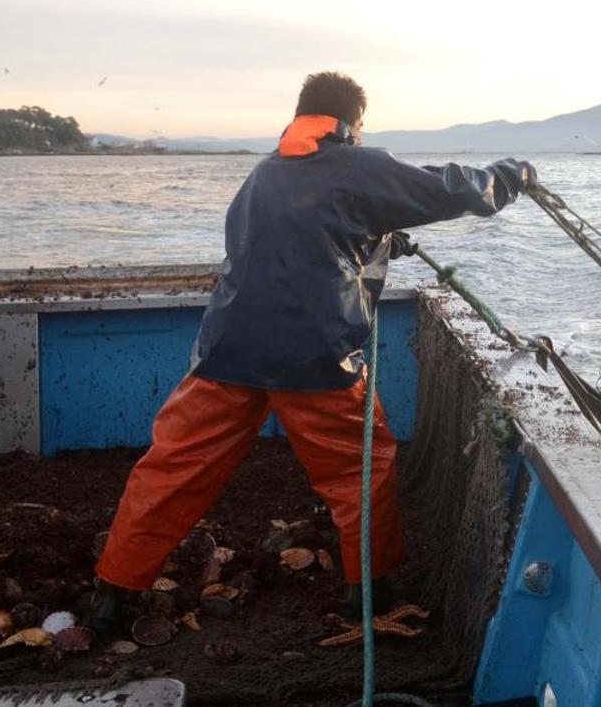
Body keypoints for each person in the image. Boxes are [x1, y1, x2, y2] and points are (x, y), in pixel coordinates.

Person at [84, 71, 536, 631]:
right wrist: (512, 175)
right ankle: (368, 594)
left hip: (227, 353)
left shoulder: (264, 173)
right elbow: (450, 188)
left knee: (170, 470)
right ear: (350, 123)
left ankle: (110, 595)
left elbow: (292, 237)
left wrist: (378, 237)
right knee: (361, 471)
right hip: (316, 359)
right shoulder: (354, 164)